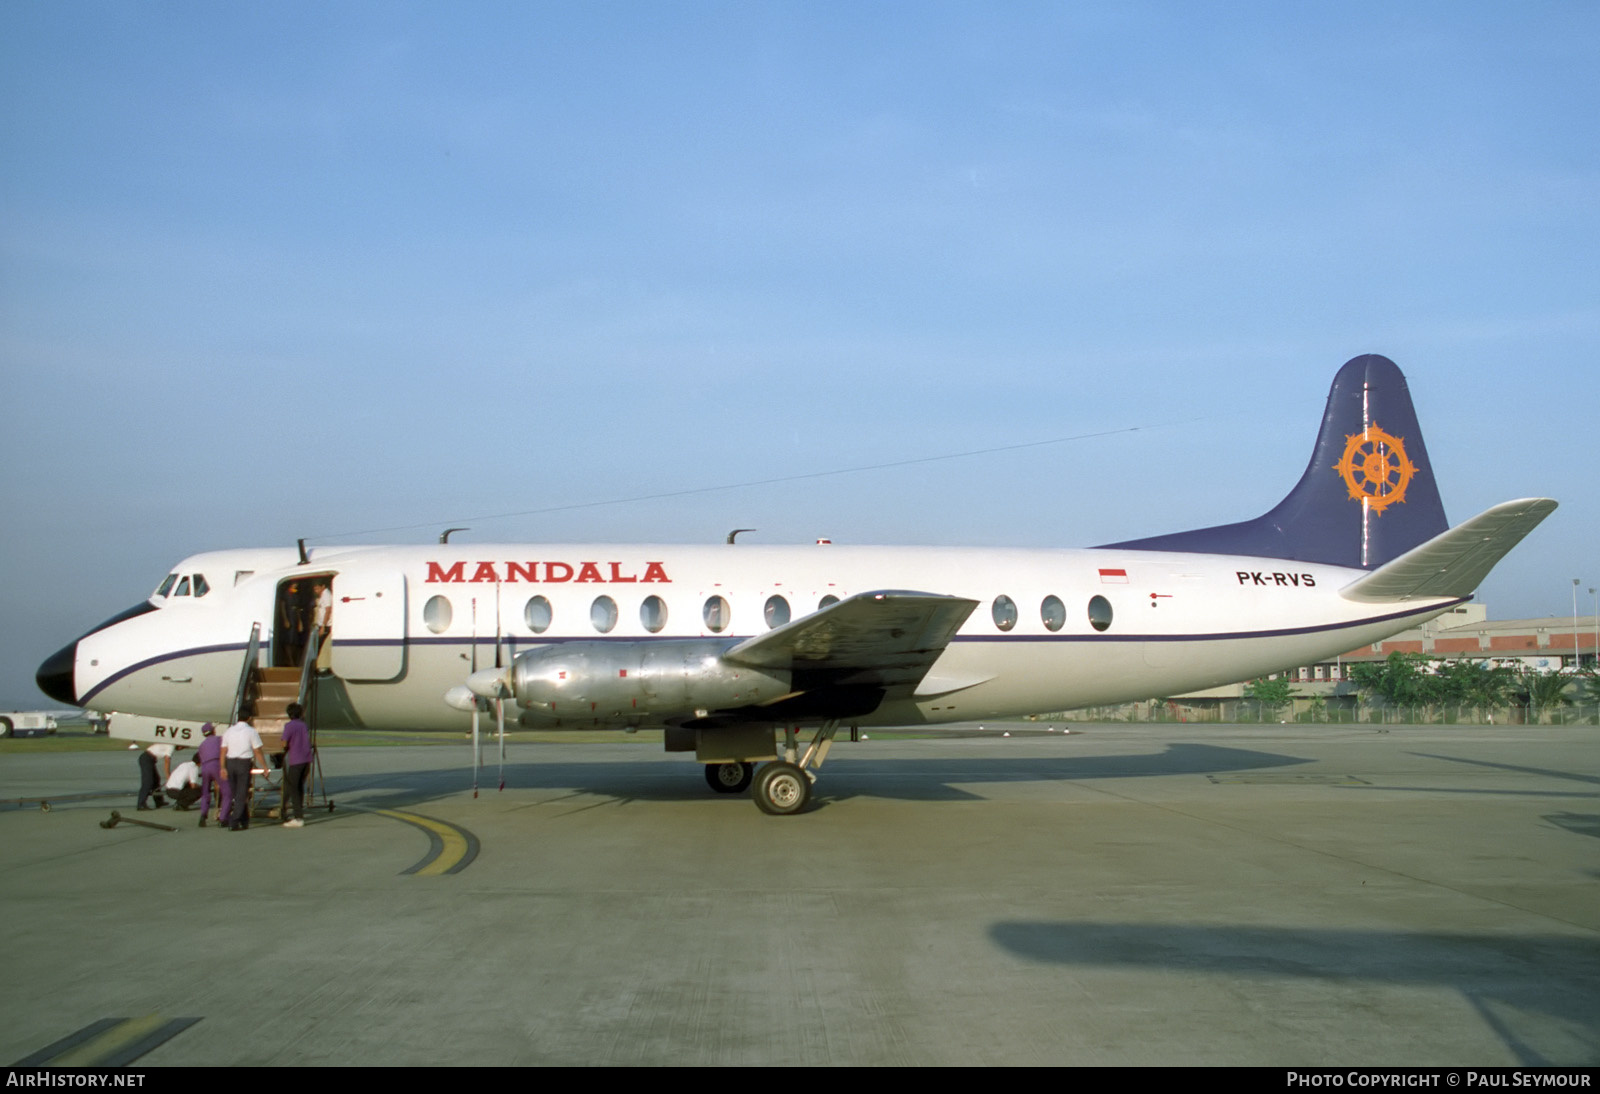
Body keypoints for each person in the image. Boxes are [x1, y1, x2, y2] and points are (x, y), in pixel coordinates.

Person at [220, 713, 267, 831]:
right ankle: (234, 821)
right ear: (249, 718)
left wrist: (222, 767)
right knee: (241, 793)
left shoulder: (229, 731)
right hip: (243, 763)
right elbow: (257, 751)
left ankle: (244, 819)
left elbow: (223, 751)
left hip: (230, 762)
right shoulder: (251, 731)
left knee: (236, 793)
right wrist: (264, 767)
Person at [280, 702, 311, 828]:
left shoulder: (289, 726)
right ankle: (298, 812)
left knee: (292, 787)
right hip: (306, 759)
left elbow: (284, 743)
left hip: (296, 760)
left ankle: (298, 817)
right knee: (299, 787)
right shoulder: (303, 725)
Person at [195, 722, 225, 828]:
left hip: (205, 768)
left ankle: (203, 815)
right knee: (226, 790)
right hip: (216, 765)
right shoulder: (219, 739)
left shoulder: (201, 745)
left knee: (205, 792)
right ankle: (223, 816)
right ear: (213, 731)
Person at [136, 741, 174, 810]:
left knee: (156, 780)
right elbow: (167, 761)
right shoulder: (171, 746)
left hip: (150, 759)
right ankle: (141, 804)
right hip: (146, 759)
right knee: (148, 782)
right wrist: (168, 776)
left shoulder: (169, 744)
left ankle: (159, 801)